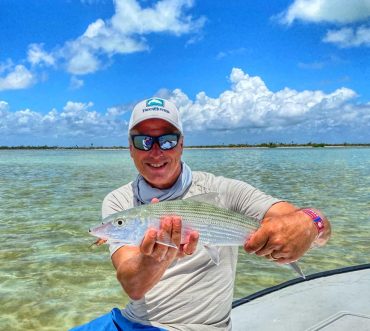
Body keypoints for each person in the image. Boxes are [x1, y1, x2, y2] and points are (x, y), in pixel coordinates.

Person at [71, 97, 331, 331]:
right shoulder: (119, 200)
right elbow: (133, 286)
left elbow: (298, 218)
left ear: (181, 145)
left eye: (168, 140)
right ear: (130, 148)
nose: (156, 151)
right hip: (128, 321)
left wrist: (310, 223)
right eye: (143, 141)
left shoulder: (224, 190)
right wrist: (157, 258)